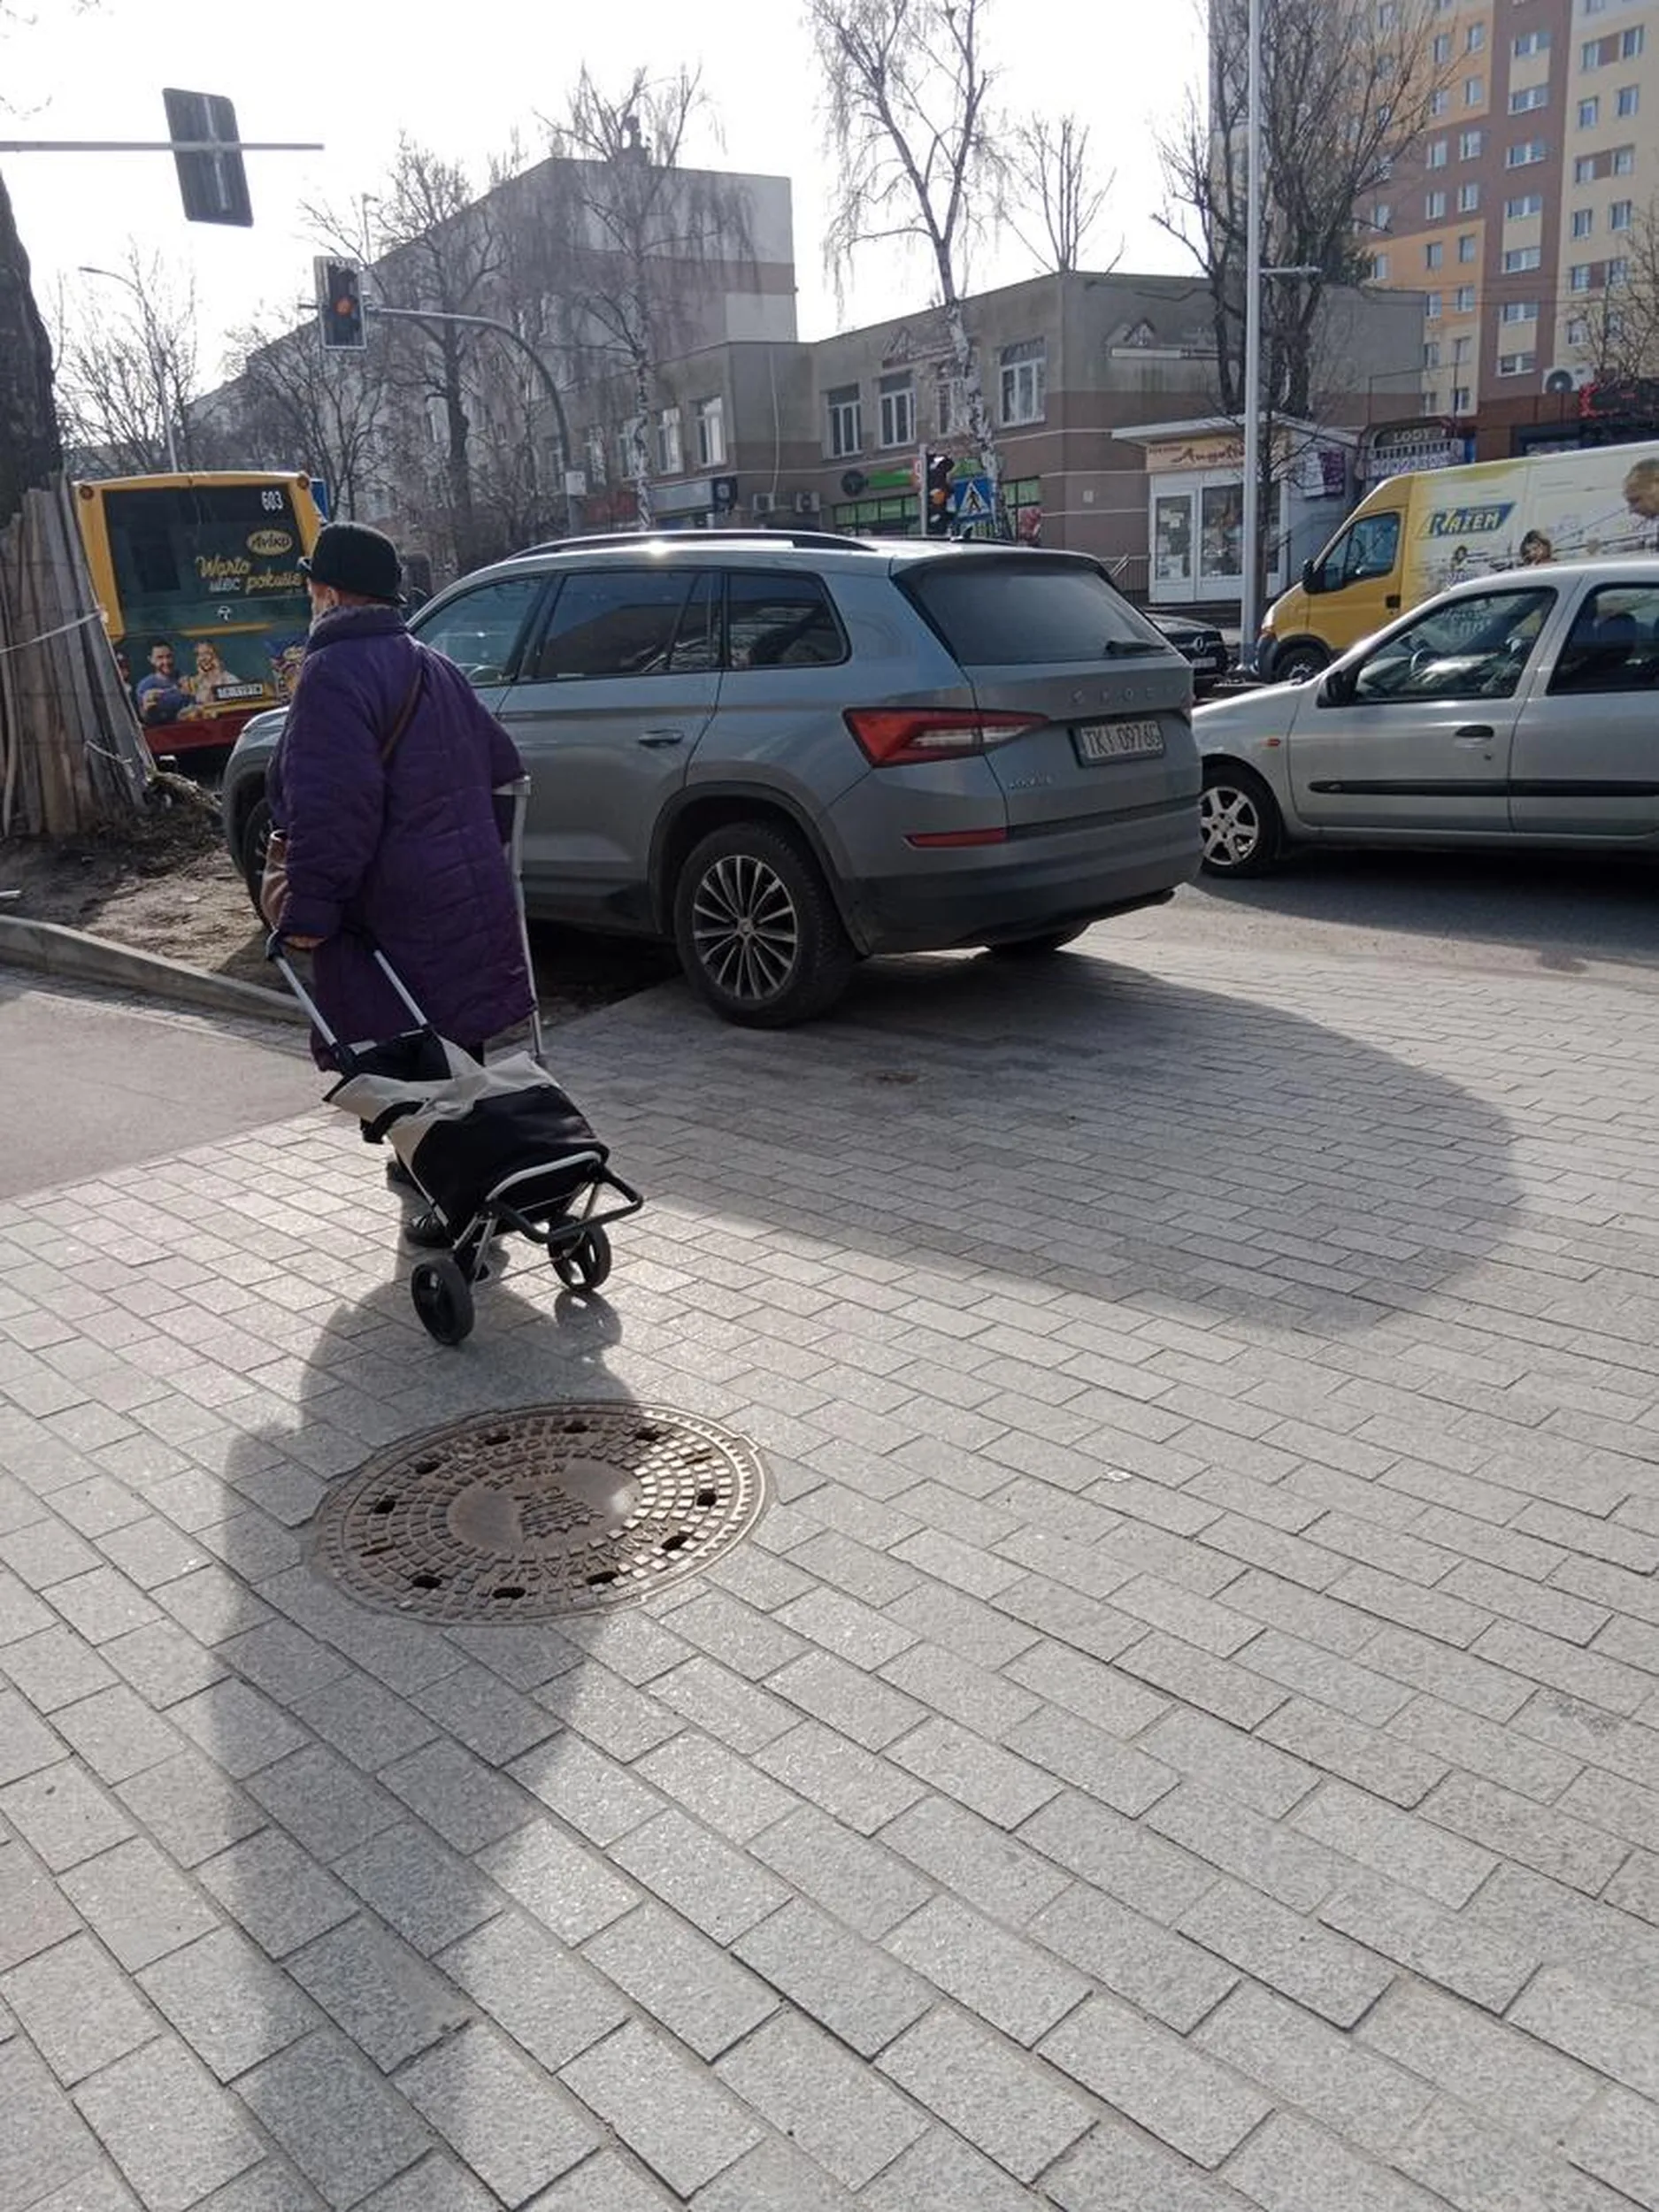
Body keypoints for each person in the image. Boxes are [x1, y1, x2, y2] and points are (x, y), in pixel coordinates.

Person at [265, 521, 534, 1248]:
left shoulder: (332, 676)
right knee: (458, 1045)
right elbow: (503, 768)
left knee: (405, 1052)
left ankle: (441, 1196)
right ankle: (478, 1177)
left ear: (327, 590)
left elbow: (331, 808)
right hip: (465, 898)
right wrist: (480, 855)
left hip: (393, 914)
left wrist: (309, 912)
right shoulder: (431, 664)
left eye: (311, 584)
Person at [134, 642, 192, 727]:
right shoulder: (146, 686)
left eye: (169, 656)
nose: (166, 662)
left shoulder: (184, 678)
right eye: (160, 658)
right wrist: (148, 709)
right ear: (151, 660)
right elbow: (145, 719)